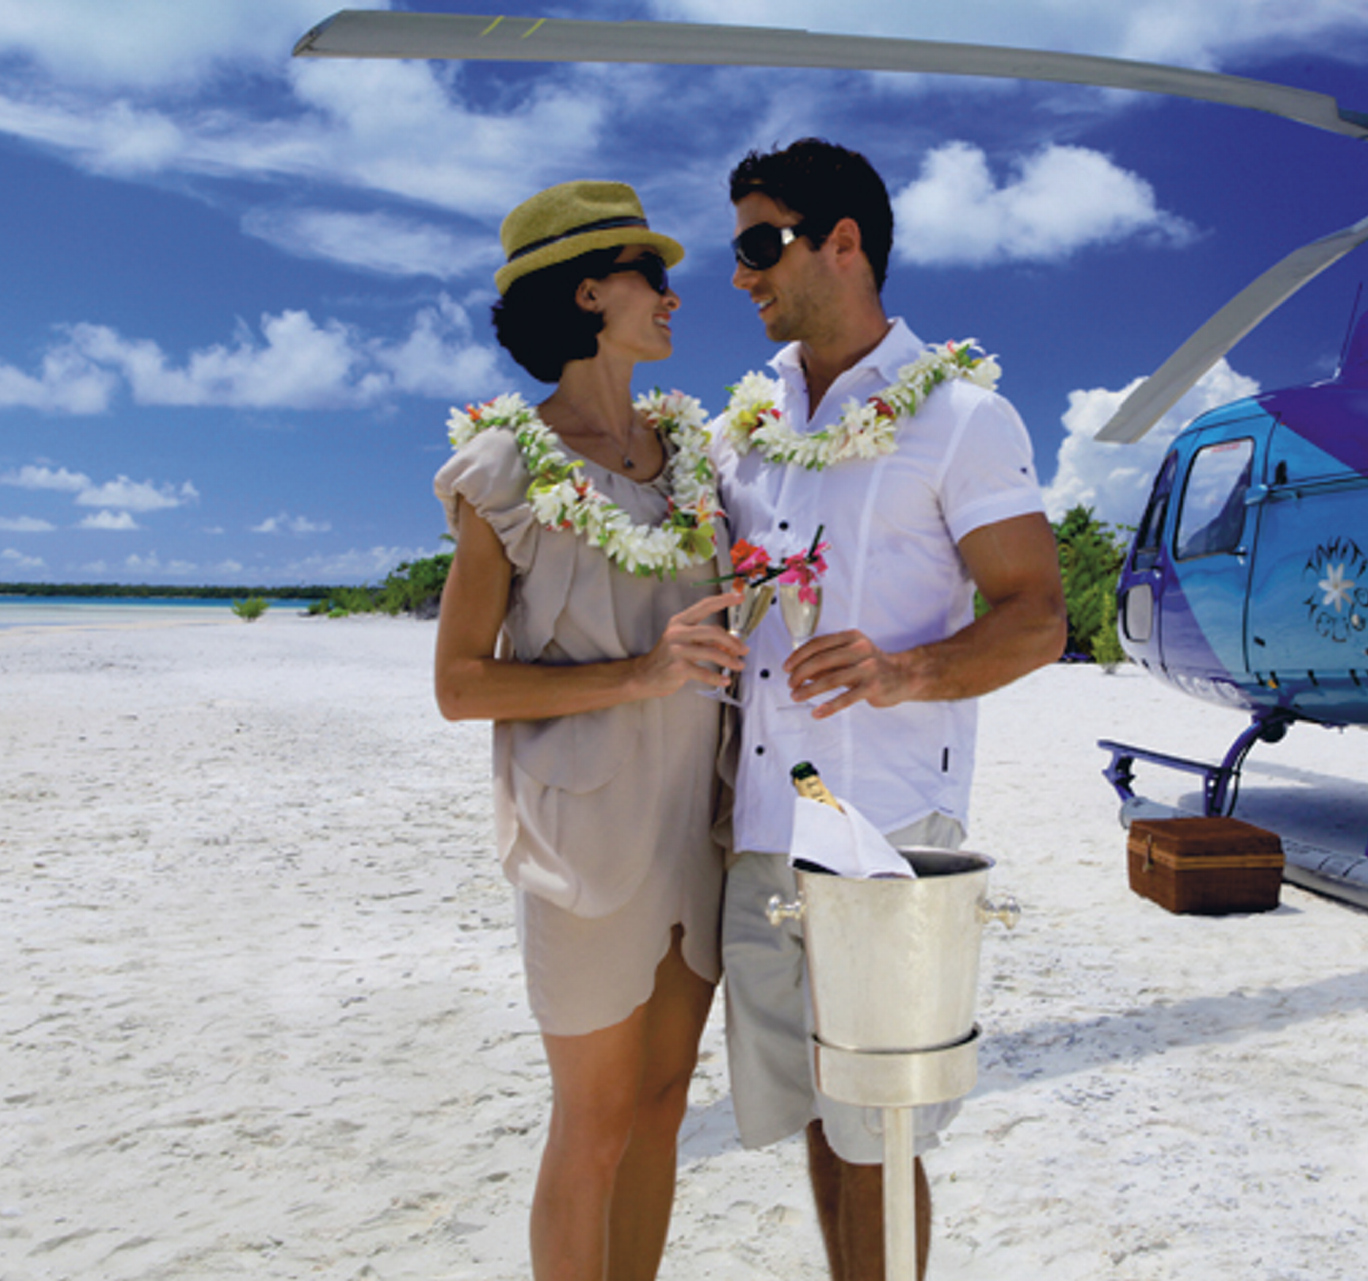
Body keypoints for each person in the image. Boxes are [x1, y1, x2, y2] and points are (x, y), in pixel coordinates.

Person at [711, 139, 1066, 1281]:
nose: (741, 274)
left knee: (881, 1128)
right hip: (762, 824)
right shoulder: (742, 429)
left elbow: (1037, 618)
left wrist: (901, 672)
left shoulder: (961, 417)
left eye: (760, 243)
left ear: (843, 242)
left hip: (886, 828)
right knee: (823, 1120)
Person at [432, 181, 744, 1281]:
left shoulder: (695, 458)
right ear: (588, 294)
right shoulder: (507, 468)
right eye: (649, 274)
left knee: (663, 1106)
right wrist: (640, 675)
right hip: (584, 843)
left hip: (695, 827)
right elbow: (460, 685)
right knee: (594, 1122)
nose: (673, 295)